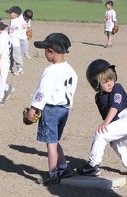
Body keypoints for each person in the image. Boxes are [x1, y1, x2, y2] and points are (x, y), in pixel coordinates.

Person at [26, 33, 78, 185]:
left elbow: (42, 92)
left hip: (51, 109)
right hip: (64, 109)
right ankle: (63, 167)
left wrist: (33, 109)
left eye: (45, 50)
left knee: (50, 143)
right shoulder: (71, 70)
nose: (44, 54)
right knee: (54, 140)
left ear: (51, 51)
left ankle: (53, 173)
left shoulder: (51, 70)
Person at [77, 59, 127, 180]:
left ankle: (93, 165)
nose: (110, 83)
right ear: (96, 83)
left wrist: (105, 123)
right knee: (115, 142)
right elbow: (108, 117)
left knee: (100, 133)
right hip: (123, 123)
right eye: (104, 81)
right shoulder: (98, 98)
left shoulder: (117, 87)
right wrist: (107, 122)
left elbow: (115, 106)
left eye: (111, 79)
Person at [6, 6, 24, 75]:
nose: (9, 14)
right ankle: (9, 68)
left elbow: (20, 31)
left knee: (16, 56)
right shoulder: (11, 21)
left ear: (16, 14)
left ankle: (20, 69)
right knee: (10, 55)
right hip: (10, 41)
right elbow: (9, 31)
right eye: (9, 12)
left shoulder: (18, 21)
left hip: (16, 42)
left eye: (11, 12)